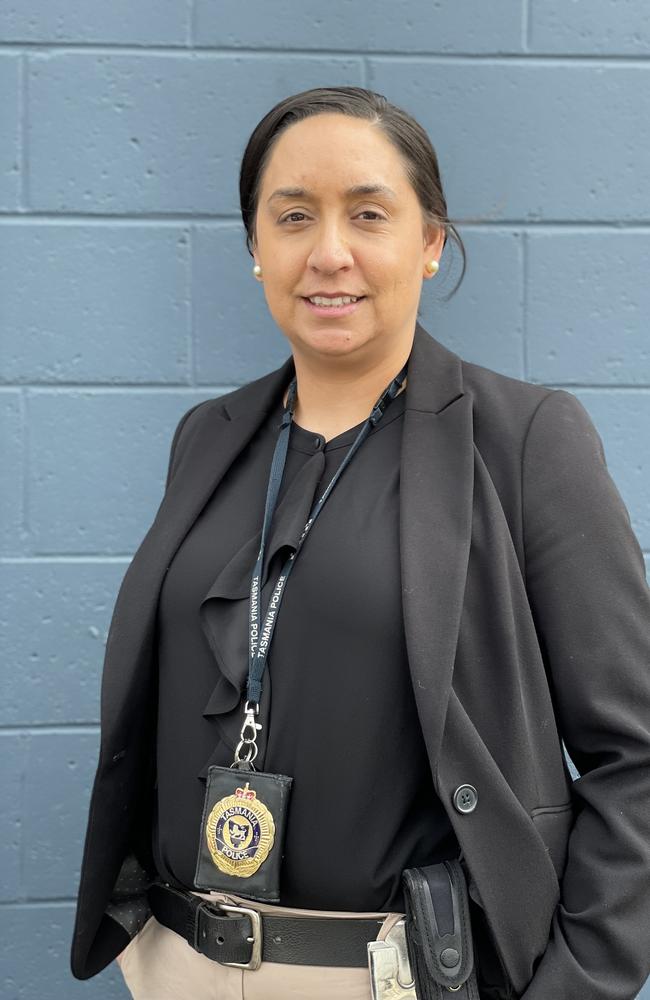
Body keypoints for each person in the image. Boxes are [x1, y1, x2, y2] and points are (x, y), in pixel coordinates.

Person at [70, 86, 650, 1000]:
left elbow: (637, 757)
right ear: (256, 249)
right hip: (181, 964)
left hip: (399, 979)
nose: (328, 252)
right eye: (293, 216)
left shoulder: (527, 440)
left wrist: (579, 986)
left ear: (428, 244)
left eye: (369, 214)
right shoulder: (209, 438)